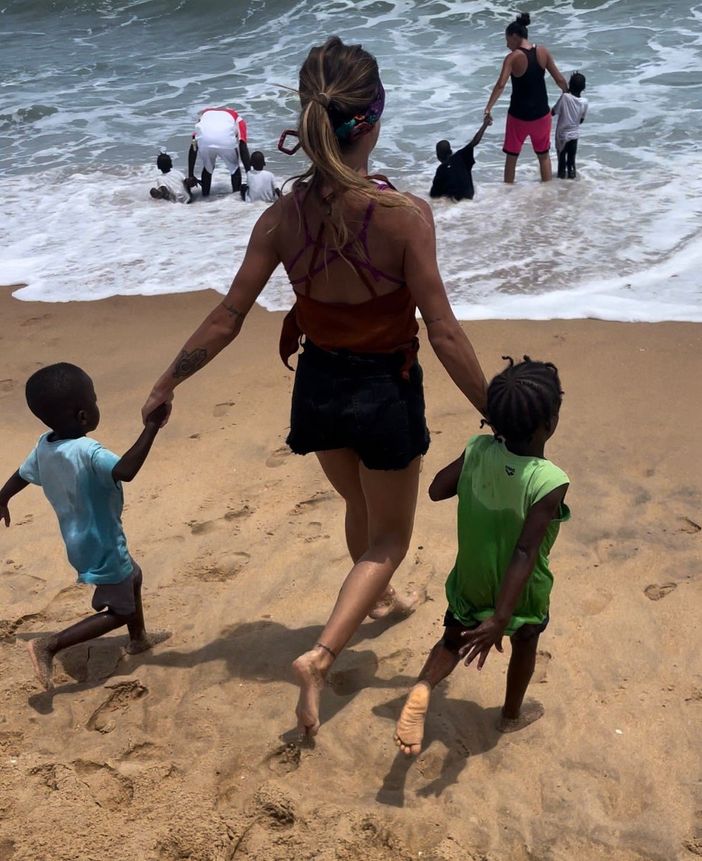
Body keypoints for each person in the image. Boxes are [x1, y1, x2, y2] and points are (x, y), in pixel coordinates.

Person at [141, 36, 488, 739]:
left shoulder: (280, 218)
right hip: (384, 392)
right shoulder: (404, 217)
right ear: (375, 119)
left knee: (358, 505)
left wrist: (167, 379)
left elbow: (229, 315)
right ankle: (323, 653)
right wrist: (498, 409)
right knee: (387, 534)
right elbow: (444, 332)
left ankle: (382, 598)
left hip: (320, 387)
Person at [394, 356, 570, 756]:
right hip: (520, 593)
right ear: (550, 423)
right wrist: (502, 617)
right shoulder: (549, 481)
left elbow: (437, 489)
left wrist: (474, 456)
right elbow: (525, 550)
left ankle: (423, 686)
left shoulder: (477, 449)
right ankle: (510, 715)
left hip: (472, 580)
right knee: (526, 642)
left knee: (452, 641)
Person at [0, 363, 170, 691]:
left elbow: (23, 473)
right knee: (120, 609)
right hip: (103, 542)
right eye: (94, 400)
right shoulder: (89, 452)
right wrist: (152, 426)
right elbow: (126, 470)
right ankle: (49, 645)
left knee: (133, 576)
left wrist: (3, 497)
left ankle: (138, 640)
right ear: (82, 415)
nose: (96, 405)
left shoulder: (45, 445)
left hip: (79, 540)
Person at [484, 12, 568, 183]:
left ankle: (508, 196)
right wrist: (569, 94)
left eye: (508, 40)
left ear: (515, 36)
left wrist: (488, 107)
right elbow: (559, 79)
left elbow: (500, 85)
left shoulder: (513, 57)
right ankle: (548, 194)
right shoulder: (543, 52)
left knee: (512, 157)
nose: (507, 45)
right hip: (542, 116)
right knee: (543, 156)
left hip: (518, 117)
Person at [188, 107, 252, 197]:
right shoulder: (238, 118)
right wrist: (250, 176)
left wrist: (190, 175)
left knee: (207, 168)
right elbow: (243, 146)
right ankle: (236, 198)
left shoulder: (203, 117)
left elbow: (194, 144)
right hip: (225, 141)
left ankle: (205, 197)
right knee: (234, 169)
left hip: (204, 141)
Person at [429, 115, 492, 201]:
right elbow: (475, 141)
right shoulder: (461, 156)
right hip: (470, 197)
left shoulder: (441, 170)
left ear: (438, 156)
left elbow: (433, 195)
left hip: (457, 204)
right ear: (451, 151)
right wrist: (485, 124)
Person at [552, 72, 588, 179]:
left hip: (562, 136)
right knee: (571, 162)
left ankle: (561, 185)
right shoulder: (584, 102)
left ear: (569, 84)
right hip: (574, 136)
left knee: (561, 162)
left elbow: (553, 112)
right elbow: (581, 120)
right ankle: (571, 185)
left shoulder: (565, 97)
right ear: (584, 88)